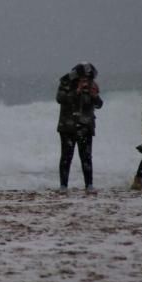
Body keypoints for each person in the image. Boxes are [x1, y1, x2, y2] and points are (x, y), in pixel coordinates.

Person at [56, 62, 103, 191]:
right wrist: (76, 91)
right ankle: (63, 185)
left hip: (86, 126)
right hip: (67, 126)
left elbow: (99, 104)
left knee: (86, 157)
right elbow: (60, 99)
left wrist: (94, 96)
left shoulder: (91, 85)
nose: (85, 80)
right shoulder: (66, 83)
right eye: (83, 78)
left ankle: (89, 185)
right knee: (66, 156)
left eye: (88, 78)